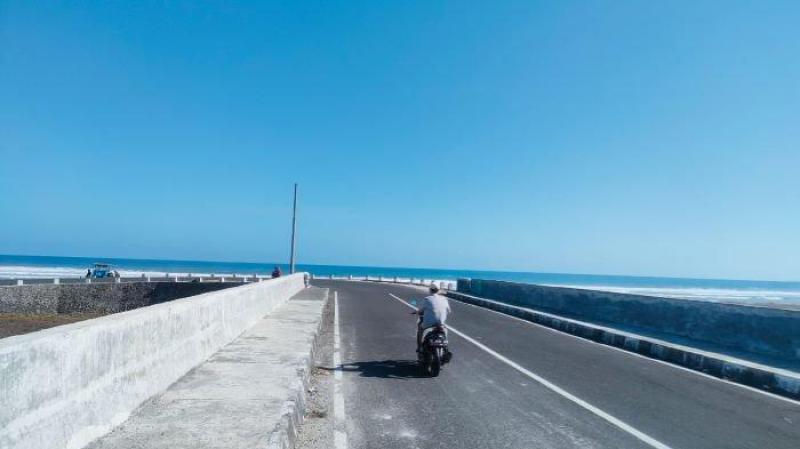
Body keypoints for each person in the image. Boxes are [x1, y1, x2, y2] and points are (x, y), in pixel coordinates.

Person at [416, 284, 451, 354]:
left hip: (429, 324)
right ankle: (445, 349)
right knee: (445, 332)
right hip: (441, 324)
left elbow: (421, 310)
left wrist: (418, 312)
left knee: (420, 328)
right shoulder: (444, 299)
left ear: (430, 290)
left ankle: (419, 347)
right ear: (438, 290)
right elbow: (449, 311)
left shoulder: (427, 299)